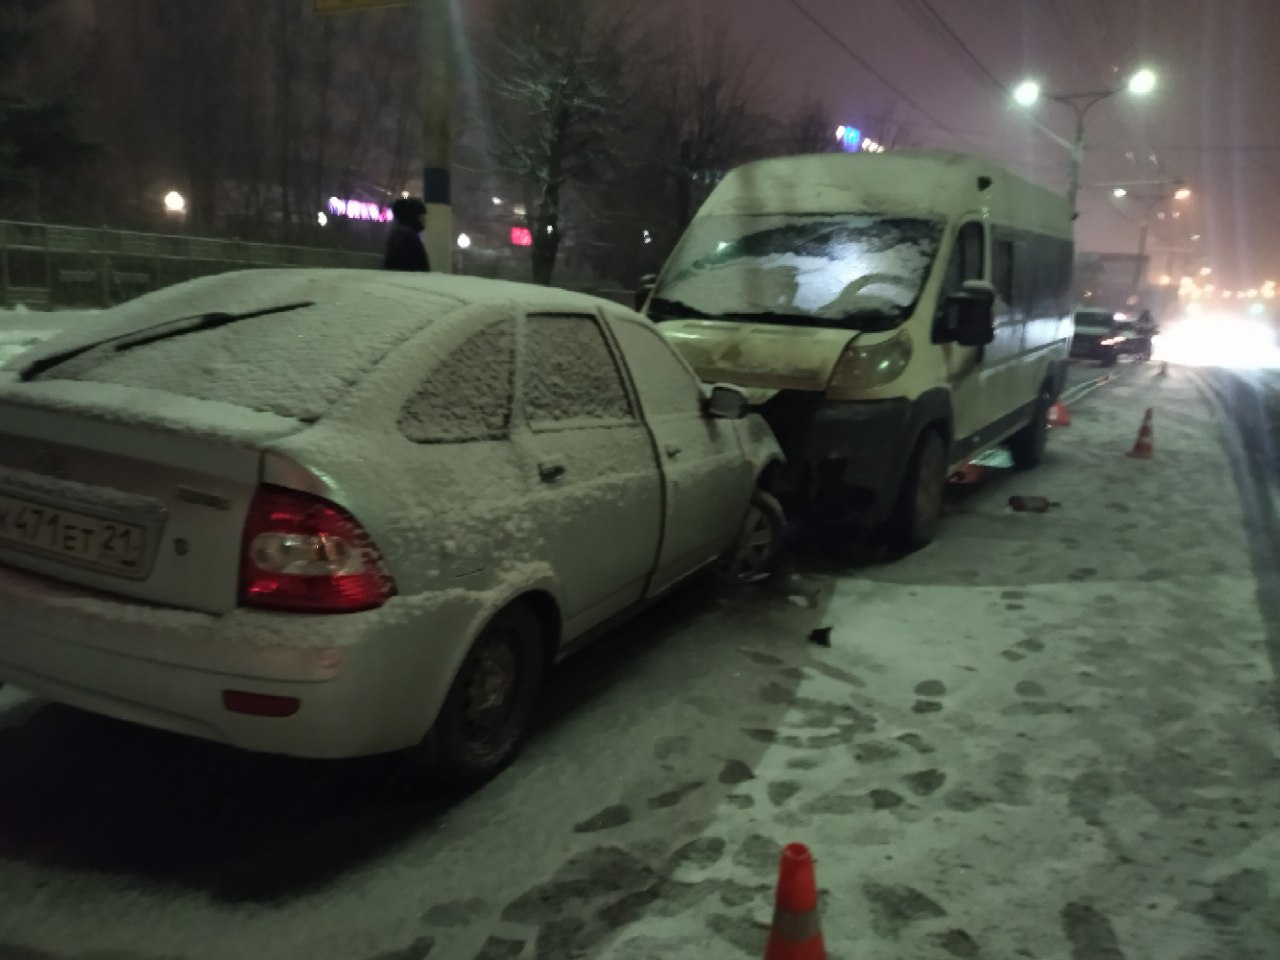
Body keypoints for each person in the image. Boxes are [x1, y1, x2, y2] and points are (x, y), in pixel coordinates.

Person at [383, 197, 430, 272]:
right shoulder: (410, 240)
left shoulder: (398, 236)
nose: (424, 221)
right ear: (414, 217)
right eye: (422, 217)